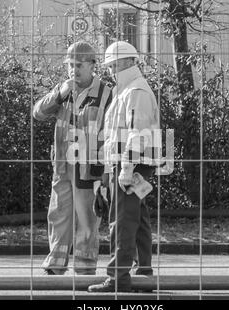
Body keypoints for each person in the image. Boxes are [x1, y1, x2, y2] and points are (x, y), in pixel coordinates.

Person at [33, 41, 112, 275]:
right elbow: (38, 113)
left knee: (87, 219)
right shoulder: (64, 90)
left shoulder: (106, 94)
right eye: (70, 65)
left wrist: (107, 174)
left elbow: (114, 133)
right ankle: (56, 263)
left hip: (89, 168)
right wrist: (59, 93)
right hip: (63, 165)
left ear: (92, 65)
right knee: (58, 213)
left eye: (78, 65)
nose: (73, 70)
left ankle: (85, 266)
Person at [88, 41, 161, 292]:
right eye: (110, 65)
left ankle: (118, 279)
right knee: (137, 217)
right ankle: (144, 273)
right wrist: (111, 171)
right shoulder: (127, 89)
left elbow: (136, 133)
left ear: (129, 62)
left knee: (121, 220)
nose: (111, 70)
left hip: (133, 162)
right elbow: (115, 136)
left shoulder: (135, 91)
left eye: (114, 64)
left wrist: (126, 169)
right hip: (131, 162)